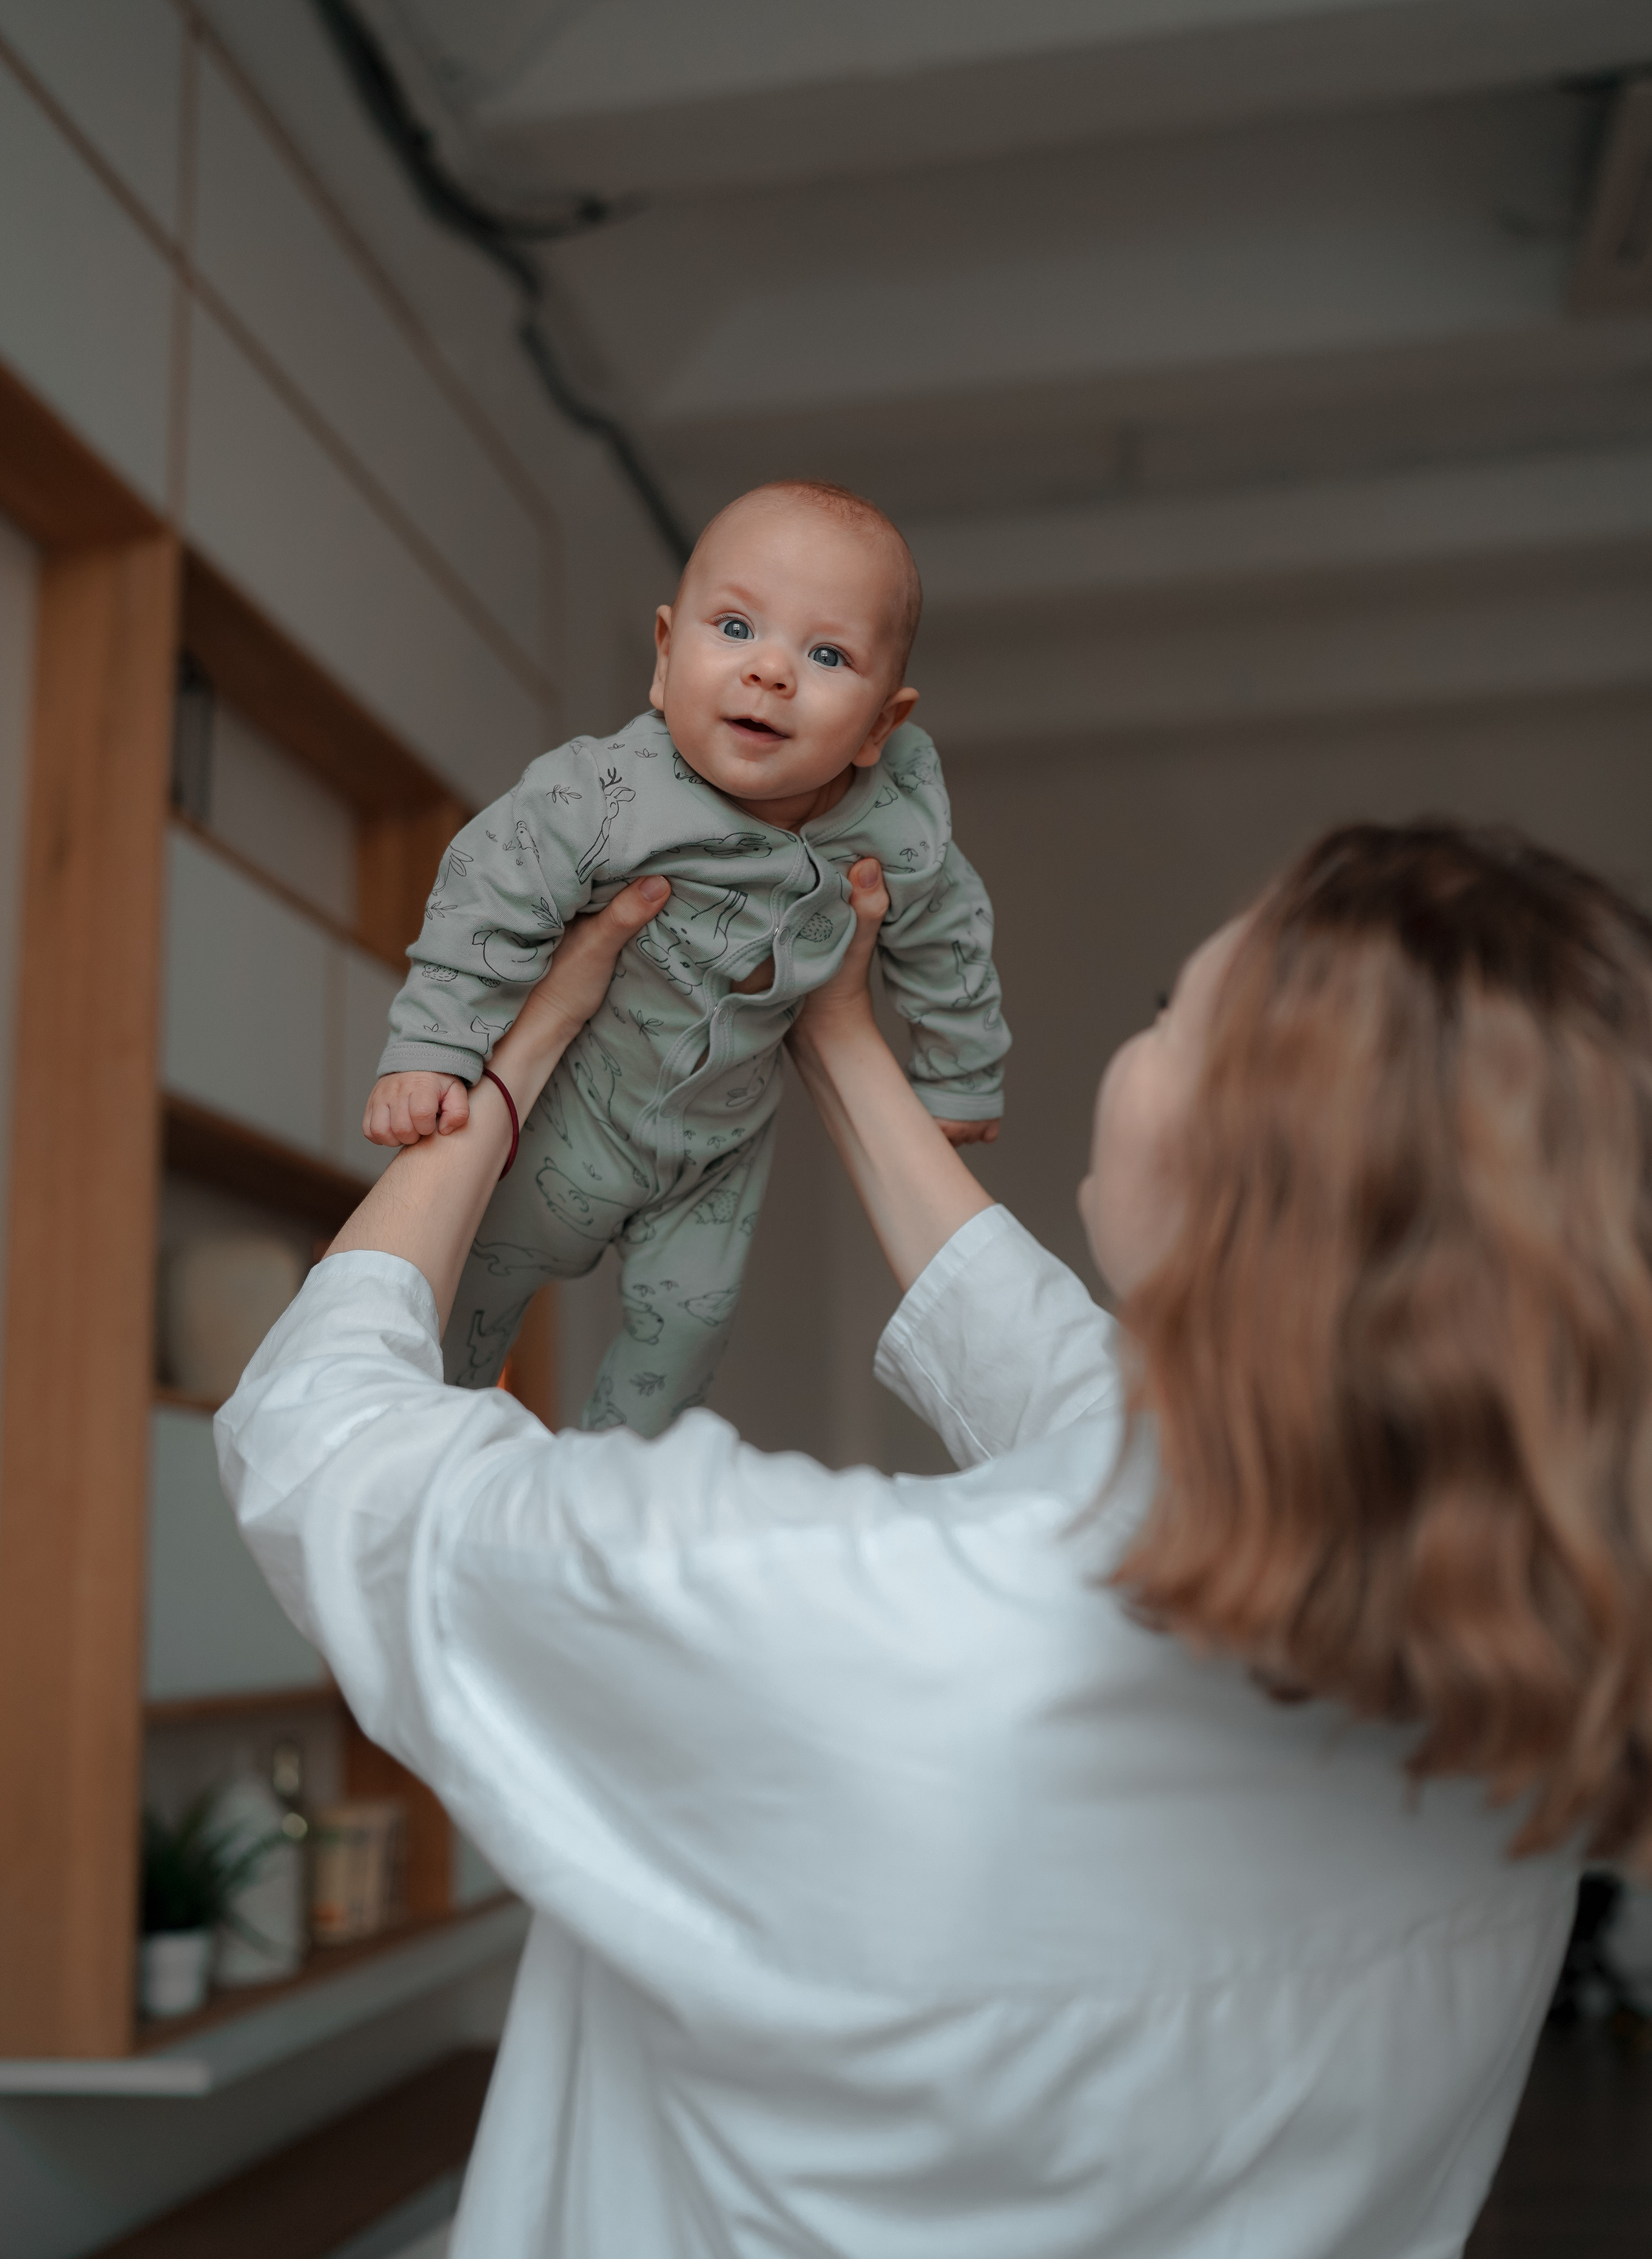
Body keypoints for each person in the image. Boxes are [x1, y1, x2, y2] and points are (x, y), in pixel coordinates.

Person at [218, 821, 1652, 2258]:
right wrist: (836, 1027)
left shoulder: (830, 1625)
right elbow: (1060, 1374)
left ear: (1237, 1170)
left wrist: (508, 1064)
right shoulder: (1525, 1696)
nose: (1142, 1044)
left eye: (1172, 1017)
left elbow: (322, 1438)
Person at [361, 480, 1007, 1434]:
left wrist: (959, 1072)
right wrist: (433, 1047)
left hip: (716, 1156)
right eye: (736, 628)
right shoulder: (608, 795)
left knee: (688, 1332)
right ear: (665, 658)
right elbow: (490, 888)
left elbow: (950, 935)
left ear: (881, 724)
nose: (771, 672)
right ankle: (427, 1462)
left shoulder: (897, 833)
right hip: (560, 1123)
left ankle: (610, 1489)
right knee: (461, 1306)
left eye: (827, 654)